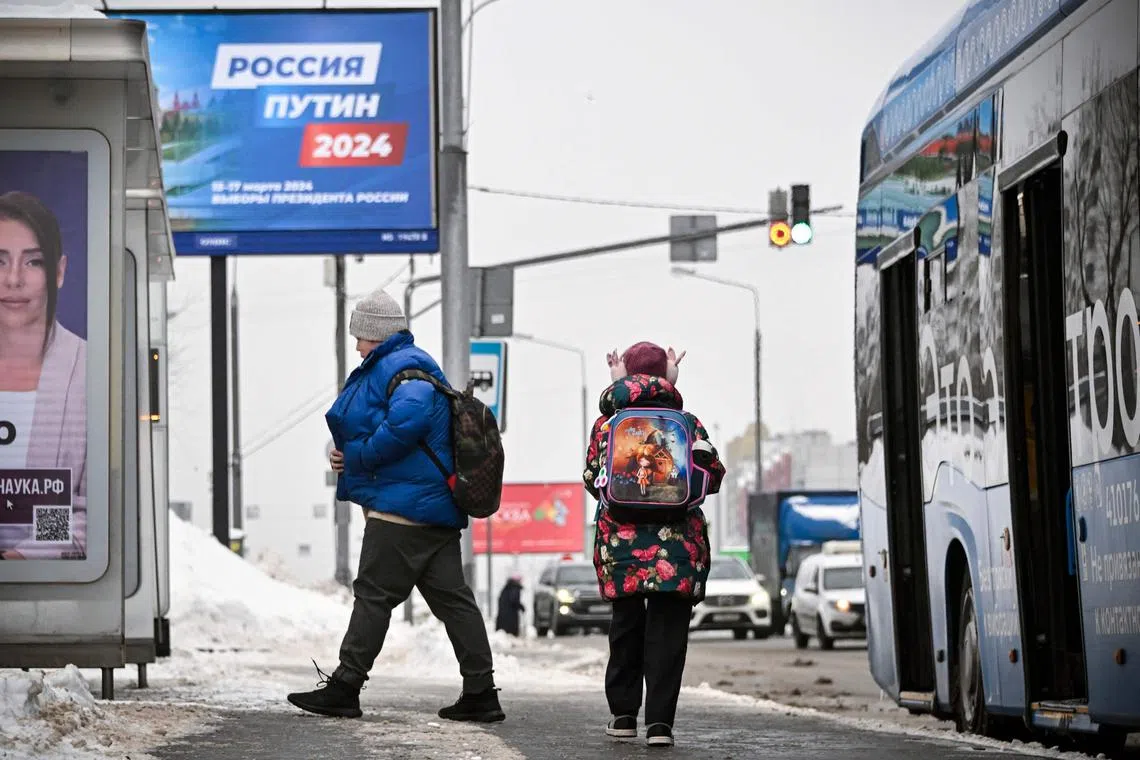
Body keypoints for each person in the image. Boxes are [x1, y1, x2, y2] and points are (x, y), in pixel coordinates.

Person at [286, 288, 504, 723]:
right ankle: (481, 692)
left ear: (378, 333)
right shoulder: (403, 365)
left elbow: (410, 419)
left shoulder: (403, 368)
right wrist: (347, 456)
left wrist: (360, 456)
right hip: (430, 509)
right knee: (454, 602)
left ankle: (346, 686)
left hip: (403, 512)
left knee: (373, 595)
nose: (357, 345)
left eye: (362, 337)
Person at [584, 341, 724, 748]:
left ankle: (624, 716)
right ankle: (660, 725)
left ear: (624, 375)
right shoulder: (686, 423)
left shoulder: (607, 426)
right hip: (677, 546)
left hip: (621, 546)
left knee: (626, 627)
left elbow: (593, 478)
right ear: (668, 375)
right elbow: (711, 475)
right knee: (668, 634)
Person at [0, 191, 86, 561]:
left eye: (33, 263)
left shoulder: (87, 369)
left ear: (59, 272)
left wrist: (19, 558)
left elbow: (92, 513)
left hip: (50, 597)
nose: (13, 280)